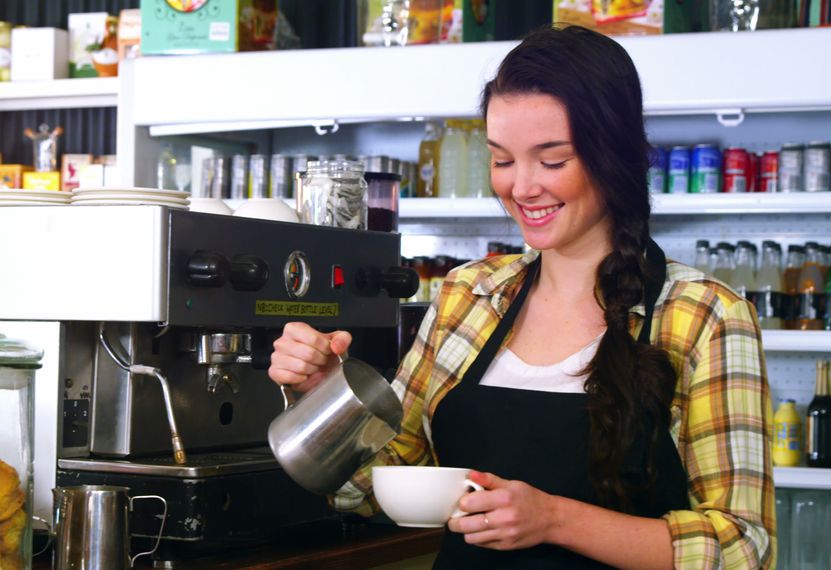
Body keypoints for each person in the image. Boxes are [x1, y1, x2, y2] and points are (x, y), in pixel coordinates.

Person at [269, 25, 773, 569]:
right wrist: (327, 397)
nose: (522, 187)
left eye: (552, 160)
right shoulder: (469, 296)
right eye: (503, 160)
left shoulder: (703, 316)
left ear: (616, 156)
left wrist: (556, 519)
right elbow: (381, 483)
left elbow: (743, 546)